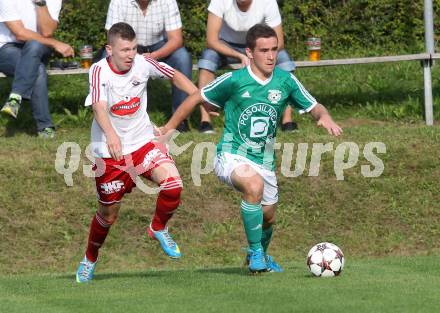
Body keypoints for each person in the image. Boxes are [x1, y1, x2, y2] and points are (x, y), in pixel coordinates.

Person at [160, 24, 342, 273]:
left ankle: (259, 255)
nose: (270, 56)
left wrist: (325, 116)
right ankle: (256, 252)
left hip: (264, 160)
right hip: (231, 154)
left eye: (274, 50)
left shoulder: (285, 80)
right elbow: (195, 97)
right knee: (253, 186)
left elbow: (314, 106)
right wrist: (168, 129)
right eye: (264, 50)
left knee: (268, 217)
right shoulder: (236, 80)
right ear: (250, 52)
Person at [75, 22, 198, 283]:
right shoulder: (98, 71)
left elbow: (174, 75)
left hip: (143, 142)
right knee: (108, 215)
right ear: (109, 50)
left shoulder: (142, 63)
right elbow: (98, 106)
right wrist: (111, 134)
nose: (130, 54)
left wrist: (199, 96)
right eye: (124, 50)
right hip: (109, 153)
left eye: (133, 48)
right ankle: (90, 258)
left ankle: (158, 228)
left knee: (173, 185)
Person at [197, 0, 298, 134]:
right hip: (226, 46)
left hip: (259, 47)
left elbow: (279, 42)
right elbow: (212, 40)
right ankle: (205, 120)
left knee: (284, 59)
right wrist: (240, 55)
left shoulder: (268, 2)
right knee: (207, 58)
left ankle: (287, 120)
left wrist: (258, 54)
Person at [105, 0, 193, 132]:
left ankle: (180, 119)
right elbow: (113, 39)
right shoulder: (118, 2)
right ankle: (112, 116)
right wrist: (131, 53)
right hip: (128, 46)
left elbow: (176, 39)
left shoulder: (168, 2)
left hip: (159, 46)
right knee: (103, 62)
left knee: (183, 58)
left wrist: (153, 56)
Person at [0, 0, 74, 138]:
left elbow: (47, 32)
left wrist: (40, 3)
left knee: (34, 46)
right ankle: (45, 127)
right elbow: (20, 33)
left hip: (39, 46)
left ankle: (15, 98)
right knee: (38, 69)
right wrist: (55, 43)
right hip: (6, 48)